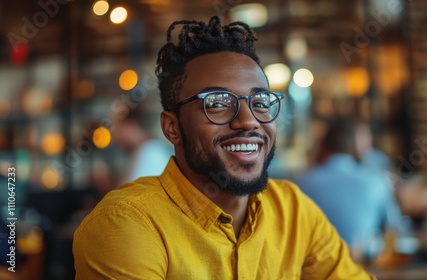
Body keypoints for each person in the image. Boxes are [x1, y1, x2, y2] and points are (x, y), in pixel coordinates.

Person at [73, 16, 374, 279]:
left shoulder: (293, 210)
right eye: (216, 103)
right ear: (172, 127)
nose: (248, 121)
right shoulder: (126, 223)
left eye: (260, 102)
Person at [295, 119, 401, 259]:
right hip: (362, 268)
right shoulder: (376, 182)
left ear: (323, 146)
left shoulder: (300, 183)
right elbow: (393, 228)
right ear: (354, 148)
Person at [111, 104, 173, 185]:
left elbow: (132, 193)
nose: (115, 137)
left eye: (118, 128)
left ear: (131, 125)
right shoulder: (145, 150)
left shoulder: (151, 152)